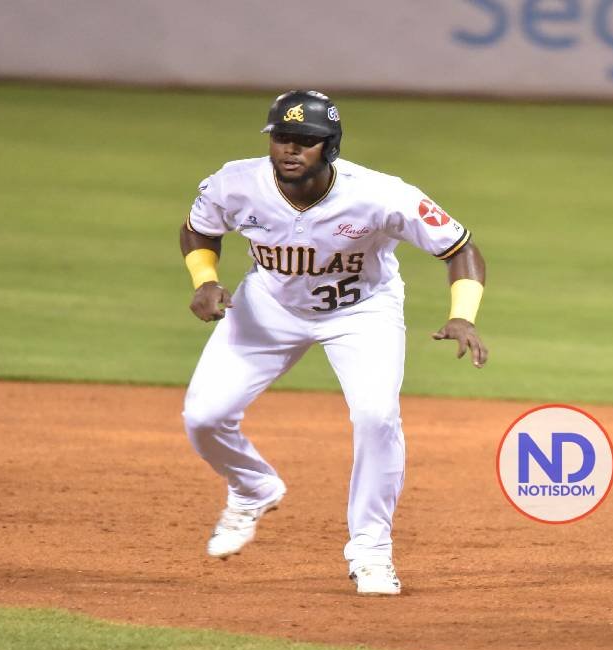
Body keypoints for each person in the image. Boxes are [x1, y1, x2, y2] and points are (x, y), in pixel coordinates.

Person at [179, 90, 488, 596]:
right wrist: (204, 280)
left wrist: (463, 316)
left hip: (362, 311)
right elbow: (198, 230)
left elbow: (460, 247)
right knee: (204, 417)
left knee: (376, 416)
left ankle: (371, 552)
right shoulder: (235, 182)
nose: (289, 149)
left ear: (330, 146)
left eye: (306, 140)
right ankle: (253, 487)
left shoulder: (382, 194)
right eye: (282, 137)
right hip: (268, 306)